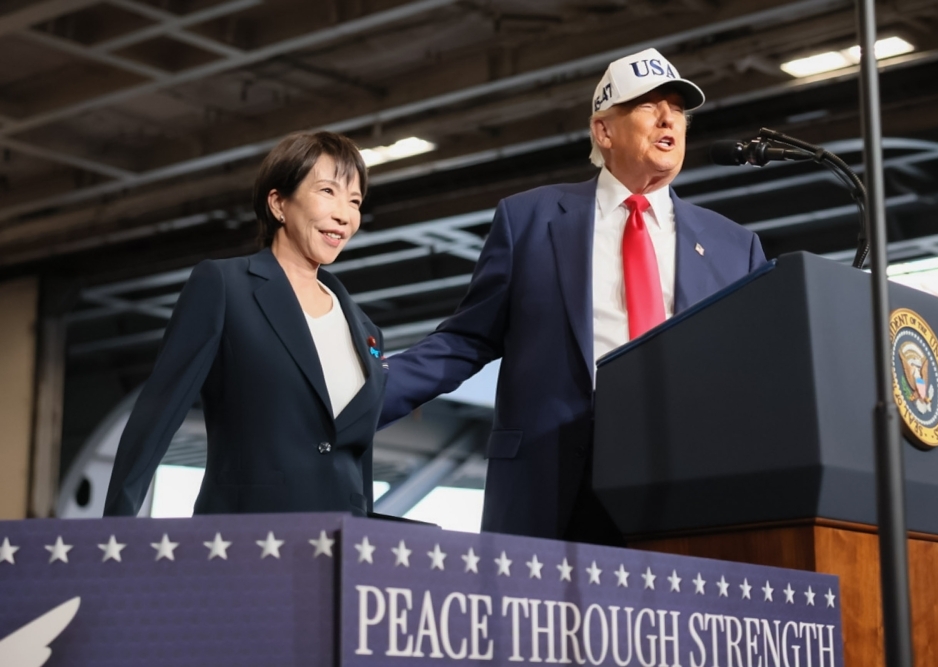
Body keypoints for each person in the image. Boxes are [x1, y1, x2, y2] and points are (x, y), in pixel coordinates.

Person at [378, 48, 768, 544]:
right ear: (603, 130)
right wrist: (357, 397)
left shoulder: (736, 246)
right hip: (553, 483)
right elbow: (465, 340)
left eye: (678, 109)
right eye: (648, 105)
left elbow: (751, 376)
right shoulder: (529, 221)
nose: (670, 117)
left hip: (686, 481)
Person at [104, 131, 385, 517]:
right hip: (246, 533)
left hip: (343, 541)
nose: (344, 214)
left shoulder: (365, 329)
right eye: (328, 192)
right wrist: (113, 530)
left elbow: (358, 454)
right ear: (278, 203)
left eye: (355, 201)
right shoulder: (223, 287)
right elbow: (158, 413)